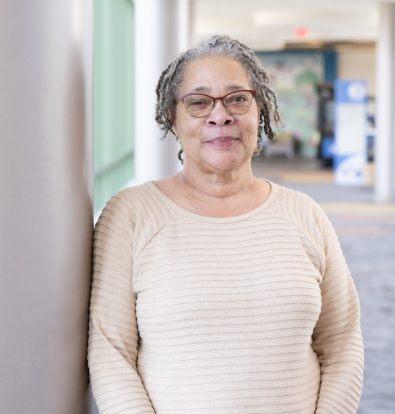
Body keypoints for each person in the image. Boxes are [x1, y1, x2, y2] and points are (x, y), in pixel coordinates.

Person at [88, 35, 364, 414]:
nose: (221, 115)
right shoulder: (132, 214)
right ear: (172, 117)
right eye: (198, 103)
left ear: (259, 109)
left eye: (237, 99)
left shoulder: (305, 213)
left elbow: (342, 341)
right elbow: (110, 350)